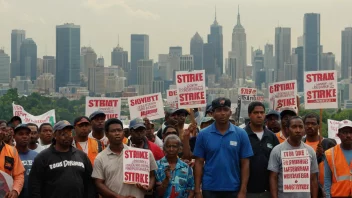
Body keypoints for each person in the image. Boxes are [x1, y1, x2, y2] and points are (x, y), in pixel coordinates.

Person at [194, 97, 253, 198]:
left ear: (230, 112)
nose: (222, 113)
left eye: (225, 110)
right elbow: (199, 163)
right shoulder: (203, 134)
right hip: (210, 188)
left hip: (234, 188)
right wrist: (197, 191)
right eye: (218, 110)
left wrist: (243, 190)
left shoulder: (241, 134)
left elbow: (245, 163)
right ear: (212, 113)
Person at [29, 120, 96, 198]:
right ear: (55, 135)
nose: (67, 136)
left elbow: (90, 183)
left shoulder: (81, 155)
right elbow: (34, 185)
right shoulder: (43, 157)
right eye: (63, 133)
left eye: (70, 133)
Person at [92, 118, 157, 198]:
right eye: (113, 131)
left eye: (119, 130)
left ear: (123, 132)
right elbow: (98, 184)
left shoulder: (142, 154)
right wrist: (119, 197)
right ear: (107, 134)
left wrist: (149, 186)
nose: (117, 133)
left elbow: (152, 175)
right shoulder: (100, 158)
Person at [268, 116, 318, 198]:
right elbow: (273, 178)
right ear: (287, 129)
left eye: (301, 127)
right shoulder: (277, 150)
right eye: (294, 127)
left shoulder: (310, 151)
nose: (298, 130)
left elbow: (313, 179)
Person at [245, 102, 279, 197]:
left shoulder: (271, 136)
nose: (259, 115)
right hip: (248, 191)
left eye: (262, 112)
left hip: (268, 190)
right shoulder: (242, 135)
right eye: (256, 113)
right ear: (249, 114)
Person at [302, 113, 336, 187]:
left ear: (319, 126)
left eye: (313, 124)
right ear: (304, 126)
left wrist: (323, 155)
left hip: (325, 188)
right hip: (306, 187)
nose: (310, 126)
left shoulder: (328, 144)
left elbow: (335, 166)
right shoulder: (300, 144)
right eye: (307, 124)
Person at [324, 120, 352, 198]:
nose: (348, 135)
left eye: (350, 132)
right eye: (345, 132)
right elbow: (327, 180)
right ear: (338, 135)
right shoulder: (330, 154)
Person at [0, 121, 25, 198]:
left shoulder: (12, 150)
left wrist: (15, 190)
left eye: (3, 129)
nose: (0, 132)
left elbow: (19, 175)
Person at [13, 124, 38, 198]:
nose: (24, 136)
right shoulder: (9, 155)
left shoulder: (37, 155)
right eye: (20, 134)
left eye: (27, 134)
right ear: (14, 136)